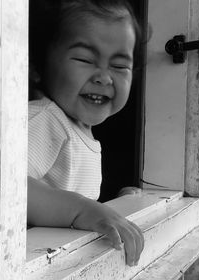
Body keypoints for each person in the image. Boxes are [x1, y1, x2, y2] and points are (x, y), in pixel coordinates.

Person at [28, 0, 144, 266]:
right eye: (84, 59)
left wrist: (114, 207)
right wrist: (83, 209)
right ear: (37, 66)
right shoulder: (46, 119)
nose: (104, 77)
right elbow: (5, 187)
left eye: (119, 66)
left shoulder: (77, 131)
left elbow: (64, 202)